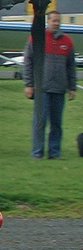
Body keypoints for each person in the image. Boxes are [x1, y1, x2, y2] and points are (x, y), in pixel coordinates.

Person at [23, 11, 76, 159]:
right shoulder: (37, 39)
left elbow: (71, 67)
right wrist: (29, 84)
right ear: (48, 22)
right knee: (40, 122)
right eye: (54, 21)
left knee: (57, 123)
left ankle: (54, 153)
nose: (56, 23)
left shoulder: (68, 42)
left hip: (59, 89)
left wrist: (72, 87)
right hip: (42, 89)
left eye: (58, 21)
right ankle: (37, 153)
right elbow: (28, 63)